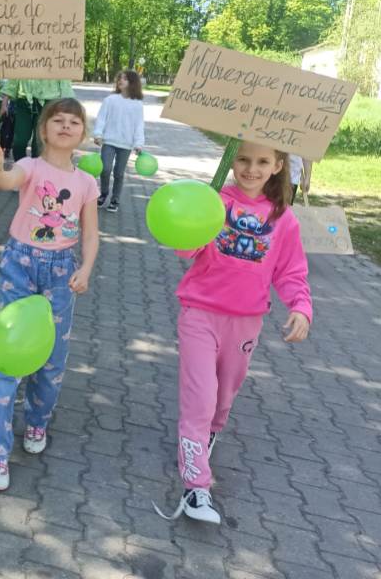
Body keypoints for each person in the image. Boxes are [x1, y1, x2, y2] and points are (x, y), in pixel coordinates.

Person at [159, 141, 312, 524]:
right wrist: (192, 225)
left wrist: (301, 307)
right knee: (200, 398)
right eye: (243, 159)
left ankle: (210, 432)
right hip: (199, 314)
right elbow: (186, 249)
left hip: (245, 321)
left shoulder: (283, 218)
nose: (251, 168)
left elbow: (291, 270)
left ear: (278, 165)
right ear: (231, 160)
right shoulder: (216, 202)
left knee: (223, 397)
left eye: (262, 161)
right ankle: (196, 488)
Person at [0, 98, 99, 491]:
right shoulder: (30, 167)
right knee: (8, 355)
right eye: (57, 120)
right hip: (20, 264)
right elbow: (3, 181)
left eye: (74, 122)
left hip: (61, 271)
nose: (65, 126)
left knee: (51, 358)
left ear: (83, 132)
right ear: (43, 129)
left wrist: (85, 267)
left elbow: (91, 234)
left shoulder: (87, 183)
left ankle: (37, 422)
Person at [93, 70, 145, 213]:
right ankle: (103, 193)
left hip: (126, 144)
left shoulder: (137, 104)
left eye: (125, 79)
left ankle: (115, 199)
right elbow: (101, 118)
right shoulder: (110, 100)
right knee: (105, 169)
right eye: (119, 78)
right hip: (109, 141)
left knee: (119, 173)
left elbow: (139, 125)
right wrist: (98, 134)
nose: (120, 81)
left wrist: (138, 143)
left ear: (132, 83)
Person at [1, 79, 75, 160]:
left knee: (39, 143)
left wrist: (67, 110)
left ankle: (37, 166)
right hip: (24, 102)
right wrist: (4, 103)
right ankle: (21, 165)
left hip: (48, 103)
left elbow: (65, 84)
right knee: (19, 142)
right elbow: (13, 79)